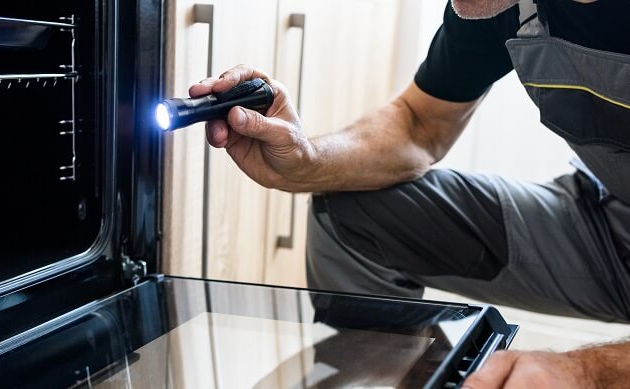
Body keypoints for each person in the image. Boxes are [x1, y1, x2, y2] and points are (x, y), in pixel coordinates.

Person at [188, 0, 630, 387]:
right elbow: (420, 124)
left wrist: (592, 373)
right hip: (615, 223)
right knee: (355, 214)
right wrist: (307, 159)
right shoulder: (498, 6)